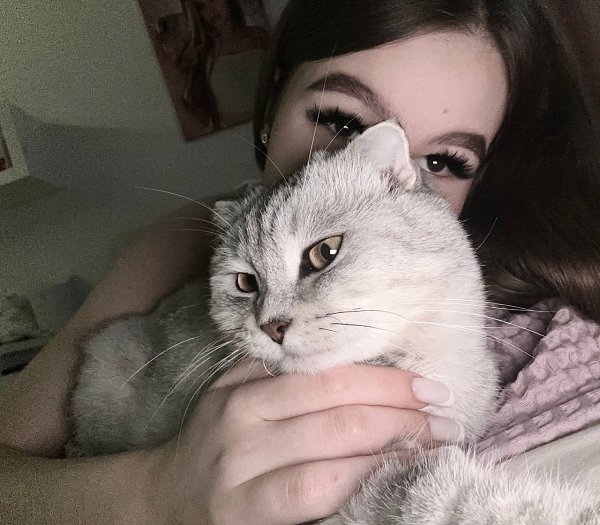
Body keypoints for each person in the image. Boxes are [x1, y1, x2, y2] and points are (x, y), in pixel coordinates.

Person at [1, 1, 599, 523]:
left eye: (444, 161)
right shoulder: (199, 233)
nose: (403, 173)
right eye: (341, 121)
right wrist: (157, 491)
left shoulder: (519, 275)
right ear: (270, 104)